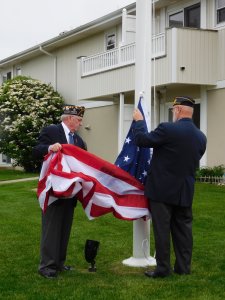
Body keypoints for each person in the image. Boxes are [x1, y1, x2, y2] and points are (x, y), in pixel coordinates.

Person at [133, 96, 207, 278]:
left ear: (179, 110)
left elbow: (142, 140)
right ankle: (183, 268)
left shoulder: (168, 129)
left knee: (162, 230)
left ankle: (163, 269)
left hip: (162, 191)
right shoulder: (200, 137)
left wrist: (140, 122)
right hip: (184, 191)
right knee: (183, 231)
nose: (173, 113)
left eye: (174, 110)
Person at [33, 105, 87, 279]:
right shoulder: (52, 131)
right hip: (54, 191)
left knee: (64, 228)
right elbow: (36, 150)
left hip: (70, 193)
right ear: (69, 118)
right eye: (78, 120)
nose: (80, 123)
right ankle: (47, 266)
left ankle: (59, 263)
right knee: (51, 229)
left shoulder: (79, 141)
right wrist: (50, 148)